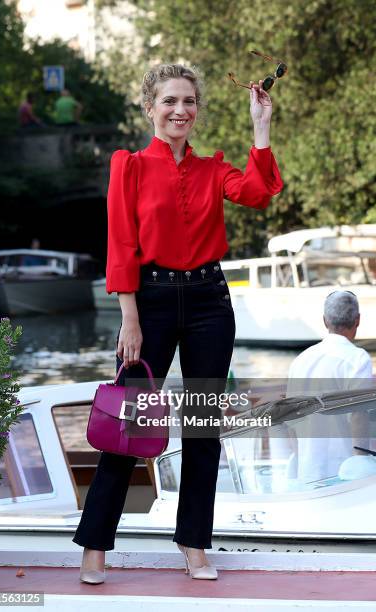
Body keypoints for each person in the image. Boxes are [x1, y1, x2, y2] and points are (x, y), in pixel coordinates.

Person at [72, 63, 283, 584]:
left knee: (203, 429)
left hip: (212, 302)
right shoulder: (130, 166)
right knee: (129, 424)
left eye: (189, 101)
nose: (180, 110)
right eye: (169, 101)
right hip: (152, 301)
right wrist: (129, 316)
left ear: (197, 110)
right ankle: (95, 547)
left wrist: (261, 127)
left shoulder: (214, 168)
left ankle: (194, 545)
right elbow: (121, 242)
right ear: (150, 108)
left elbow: (258, 192)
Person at [286, 290, 373, 484]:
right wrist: (362, 460)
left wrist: (300, 462)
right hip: (344, 473)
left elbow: (289, 419)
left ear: (325, 321)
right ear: (358, 320)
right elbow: (358, 412)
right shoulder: (357, 358)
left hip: (307, 472)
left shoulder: (300, 360)